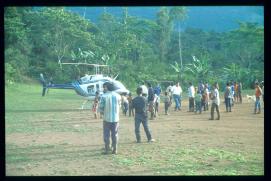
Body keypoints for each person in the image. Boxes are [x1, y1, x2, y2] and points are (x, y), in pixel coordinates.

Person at [99, 82, 122, 154]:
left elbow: (101, 108)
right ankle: (115, 149)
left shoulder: (104, 96)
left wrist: (102, 113)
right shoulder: (118, 96)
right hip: (116, 119)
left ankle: (107, 149)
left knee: (106, 134)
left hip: (107, 118)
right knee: (115, 134)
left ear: (108, 88)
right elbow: (120, 106)